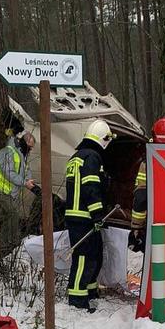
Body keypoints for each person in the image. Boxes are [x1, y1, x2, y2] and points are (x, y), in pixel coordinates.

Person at [65, 119, 112, 311]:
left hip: (76, 216)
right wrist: (97, 215)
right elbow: (90, 187)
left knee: (94, 253)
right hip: (84, 216)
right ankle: (77, 298)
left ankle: (90, 291)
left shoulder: (76, 156)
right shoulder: (92, 157)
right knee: (84, 256)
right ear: (103, 139)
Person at [130, 117, 165, 250]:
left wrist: (136, 227)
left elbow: (141, 197)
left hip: (155, 224)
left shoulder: (148, 164)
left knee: (157, 263)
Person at [0, 130, 36, 252]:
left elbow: (26, 170)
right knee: (13, 214)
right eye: (30, 147)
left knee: (12, 216)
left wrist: (29, 181)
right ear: (24, 143)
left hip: (9, 193)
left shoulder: (21, 154)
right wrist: (25, 182)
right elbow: (9, 173)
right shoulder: (8, 152)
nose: (30, 150)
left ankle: (9, 245)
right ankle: (7, 245)